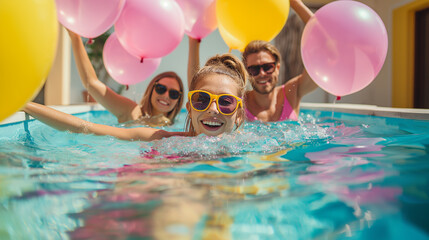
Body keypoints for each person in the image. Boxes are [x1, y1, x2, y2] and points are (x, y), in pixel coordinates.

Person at [23, 53, 247, 141]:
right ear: (189, 107)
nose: (213, 109)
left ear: (239, 114)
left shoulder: (252, 147)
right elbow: (86, 127)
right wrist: (24, 104)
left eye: (226, 102)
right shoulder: (161, 138)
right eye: (202, 99)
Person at [68, 30, 184, 126]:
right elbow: (91, 83)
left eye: (173, 94)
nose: (166, 96)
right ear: (151, 89)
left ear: (178, 100)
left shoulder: (178, 128)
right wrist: (75, 38)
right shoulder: (131, 111)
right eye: (161, 88)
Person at [241, 0, 318, 122]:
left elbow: (320, 35)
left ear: (277, 67)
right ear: (247, 72)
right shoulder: (240, 104)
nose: (262, 73)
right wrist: (198, 41)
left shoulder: (291, 92)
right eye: (254, 69)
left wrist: (295, 3)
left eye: (267, 67)